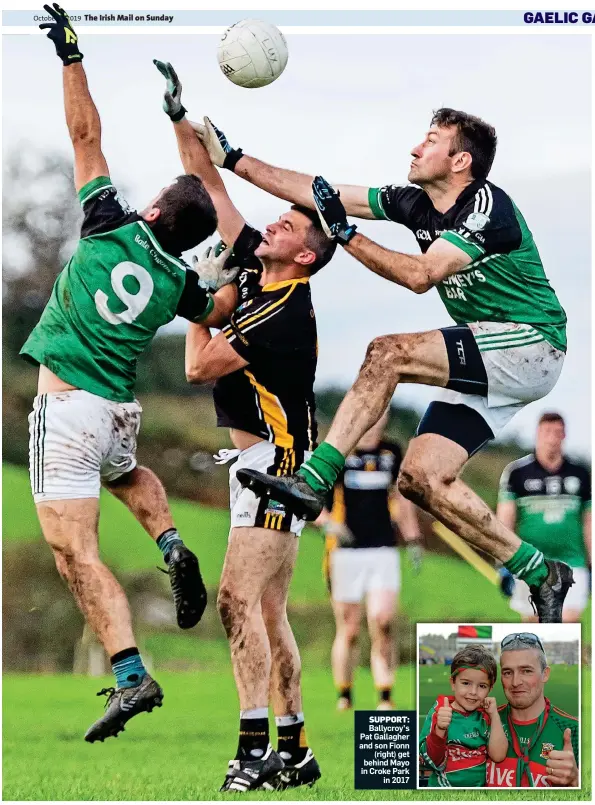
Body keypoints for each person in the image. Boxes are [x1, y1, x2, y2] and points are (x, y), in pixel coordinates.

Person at [199, 110, 575, 623]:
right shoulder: (413, 202)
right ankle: (540, 572)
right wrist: (232, 159)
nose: (416, 149)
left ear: (461, 161)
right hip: (489, 354)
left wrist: (347, 235)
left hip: (531, 344)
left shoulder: (487, 207)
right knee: (420, 479)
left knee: (388, 352)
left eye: (431, 141)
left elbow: (421, 275)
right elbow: (320, 192)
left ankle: (315, 478)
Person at [23, 6, 221, 742]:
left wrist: (70, 56)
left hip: (69, 408)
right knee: (127, 472)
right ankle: (171, 542)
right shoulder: (178, 284)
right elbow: (218, 301)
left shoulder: (110, 220)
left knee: (74, 552)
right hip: (115, 414)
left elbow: (84, 136)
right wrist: (224, 268)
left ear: (153, 206)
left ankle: (131, 675)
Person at [153, 62, 337, 791]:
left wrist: (197, 298)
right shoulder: (263, 271)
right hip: (272, 461)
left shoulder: (280, 313)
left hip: (275, 464)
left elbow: (200, 368)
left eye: (287, 224)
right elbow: (213, 188)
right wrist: (178, 117)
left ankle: (254, 749)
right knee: (266, 608)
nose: (272, 225)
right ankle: (292, 749)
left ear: (304, 255)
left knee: (235, 601)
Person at [317, 410, 422, 711]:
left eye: (380, 414)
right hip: (345, 552)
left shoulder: (392, 452)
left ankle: (385, 695)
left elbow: (401, 499)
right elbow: (312, 499)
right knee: (349, 630)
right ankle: (344, 694)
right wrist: (328, 524)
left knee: (383, 620)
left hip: (383, 550)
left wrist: (412, 538)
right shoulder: (338, 451)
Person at [498, 413, 591, 623]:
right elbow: (505, 518)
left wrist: (592, 563)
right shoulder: (517, 472)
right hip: (529, 563)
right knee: (533, 627)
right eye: (547, 432)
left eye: (557, 433)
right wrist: (503, 561)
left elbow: (589, 521)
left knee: (567, 626)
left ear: (564, 436)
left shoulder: (581, 473)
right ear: (538, 434)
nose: (552, 438)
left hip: (572, 562)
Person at [487, 633, 579, 788]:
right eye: (508, 672)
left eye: (526, 671)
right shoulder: (484, 721)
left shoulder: (574, 730)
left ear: (545, 674)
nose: (515, 682)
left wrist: (577, 782)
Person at [419, 644, 508, 787]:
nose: (473, 692)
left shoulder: (486, 715)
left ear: (490, 688)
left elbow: (498, 755)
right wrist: (439, 730)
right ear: (453, 683)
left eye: (482, 686)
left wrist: (494, 715)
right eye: (466, 683)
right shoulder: (440, 711)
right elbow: (430, 761)